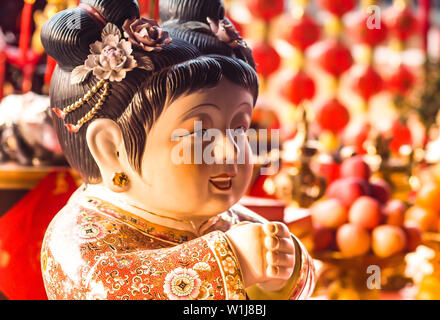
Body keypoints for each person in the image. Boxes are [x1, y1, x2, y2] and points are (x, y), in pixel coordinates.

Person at [40, 0, 315, 300]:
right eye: (199, 133)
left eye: (239, 130)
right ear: (110, 149)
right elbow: (107, 288)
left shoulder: (226, 219)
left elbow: (297, 269)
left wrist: (279, 274)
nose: (228, 151)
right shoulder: (79, 237)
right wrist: (233, 261)